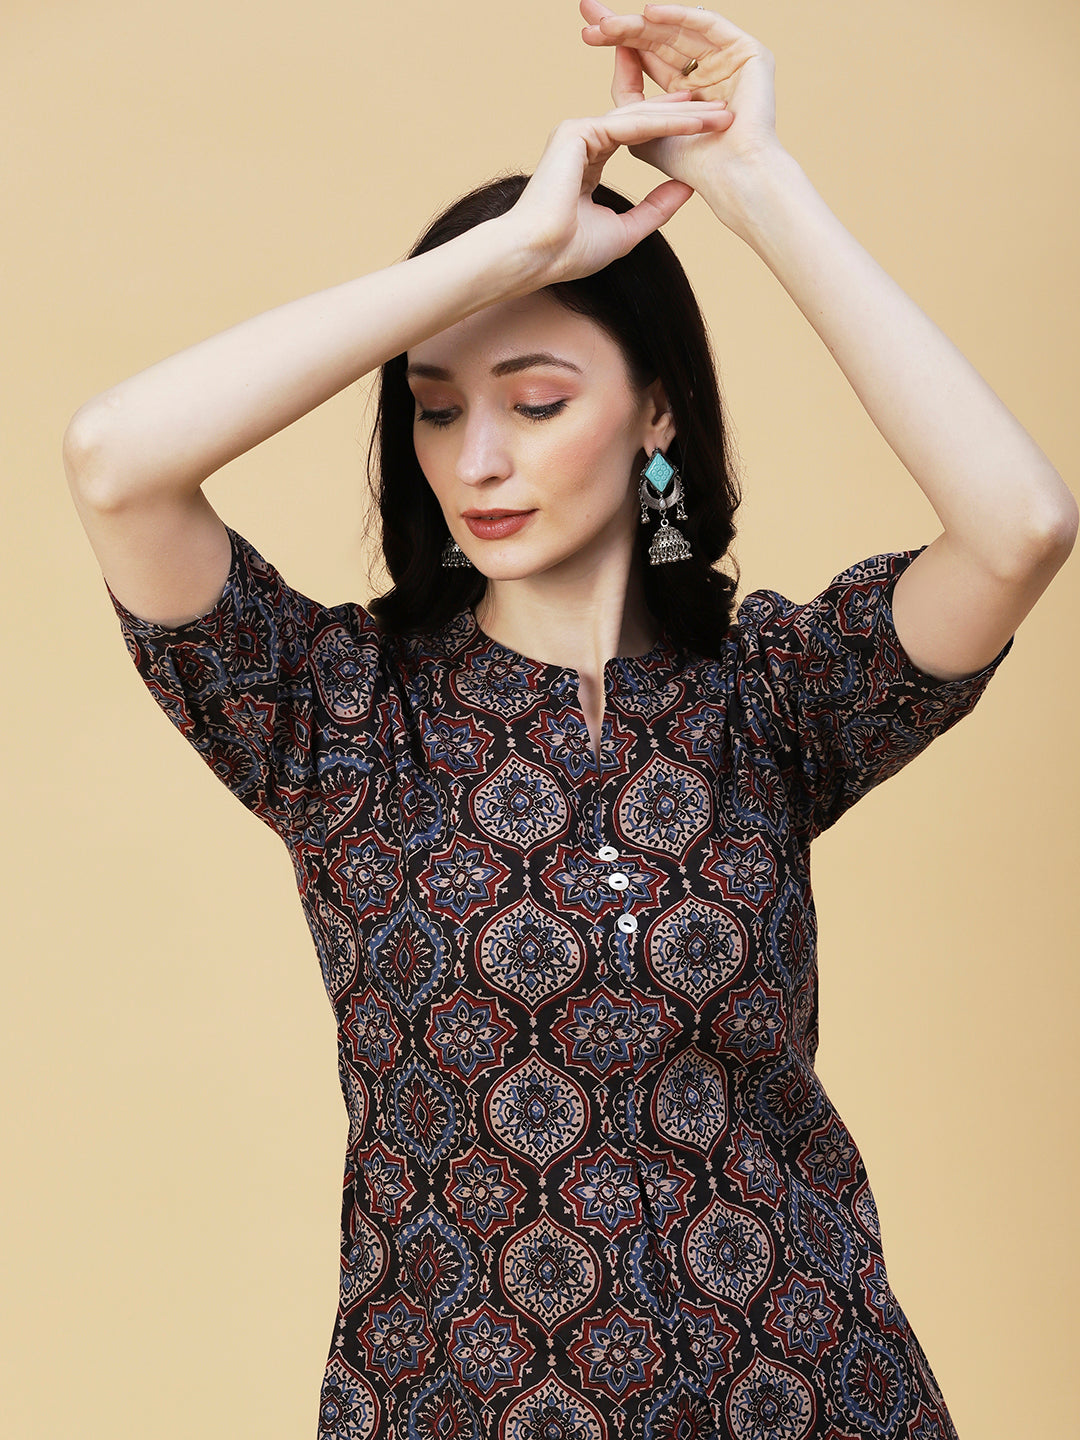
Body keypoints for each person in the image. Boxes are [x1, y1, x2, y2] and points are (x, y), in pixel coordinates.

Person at [63, 3, 1074, 1437]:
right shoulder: (335, 716)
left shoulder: (776, 696)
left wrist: (756, 182)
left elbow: (1021, 525)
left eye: (536, 401)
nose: (478, 459)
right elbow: (114, 459)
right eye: (435, 409)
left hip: (812, 1397)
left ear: (656, 412)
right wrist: (504, 257)